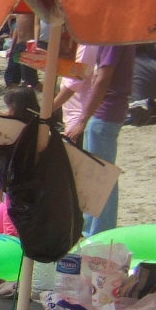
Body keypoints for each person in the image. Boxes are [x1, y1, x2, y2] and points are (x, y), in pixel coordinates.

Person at [53, 43, 134, 232]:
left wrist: (83, 119)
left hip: (104, 112)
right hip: (108, 112)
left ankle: (98, 231)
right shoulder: (118, 38)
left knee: (101, 178)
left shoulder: (112, 39)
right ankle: (93, 229)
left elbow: (102, 80)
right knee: (100, 176)